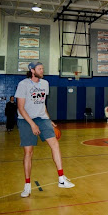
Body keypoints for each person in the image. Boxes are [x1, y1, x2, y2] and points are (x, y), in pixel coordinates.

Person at [15, 61, 75, 198]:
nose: (42, 70)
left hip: (42, 118)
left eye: (43, 68)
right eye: (40, 68)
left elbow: (42, 105)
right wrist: (32, 124)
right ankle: (27, 185)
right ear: (32, 70)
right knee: (28, 152)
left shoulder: (45, 84)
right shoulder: (23, 84)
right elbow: (21, 108)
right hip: (25, 119)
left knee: (55, 144)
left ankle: (61, 178)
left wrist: (48, 119)